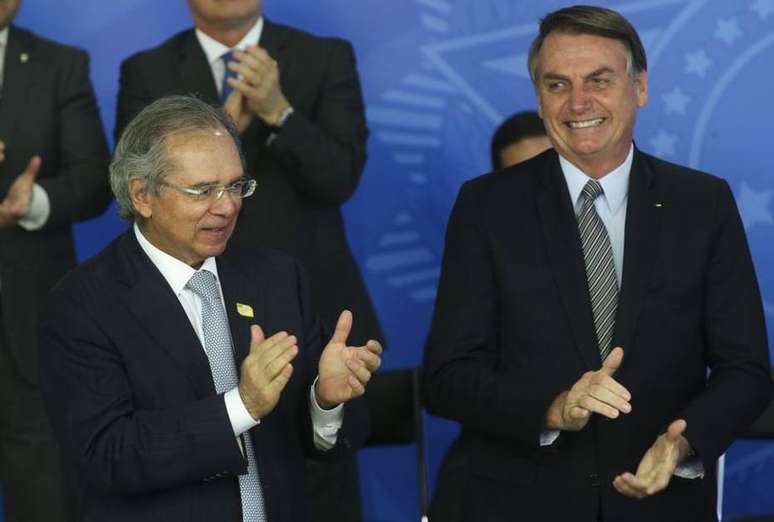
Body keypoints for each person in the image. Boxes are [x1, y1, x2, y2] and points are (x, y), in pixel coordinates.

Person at [421, 5, 772, 521]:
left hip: (660, 502)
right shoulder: (486, 207)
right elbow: (446, 376)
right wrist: (552, 407)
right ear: (539, 99)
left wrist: (682, 443)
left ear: (640, 87)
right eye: (557, 84)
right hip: (520, 503)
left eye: (599, 80)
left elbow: (746, 371)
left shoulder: (702, 204)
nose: (578, 102)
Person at [39, 95, 382, 522]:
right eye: (203, 190)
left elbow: (325, 441)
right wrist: (242, 406)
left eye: (236, 186)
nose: (227, 206)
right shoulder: (83, 303)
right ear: (142, 195)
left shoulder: (277, 278)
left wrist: (324, 401)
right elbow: (107, 455)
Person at [114, 2, 383, 519]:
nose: (227, 204)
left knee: (320, 467)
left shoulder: (322, 56)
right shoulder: (147, 71)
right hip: (189, 307)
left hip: (306, 312)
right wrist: (225, 125)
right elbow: (135, 197)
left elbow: (339, 179)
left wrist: (280, 111)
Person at [0, 1, 111, 520]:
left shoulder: (59, 64)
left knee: (43, 496)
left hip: (24, 324)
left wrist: (34, 203)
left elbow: (94, 179)